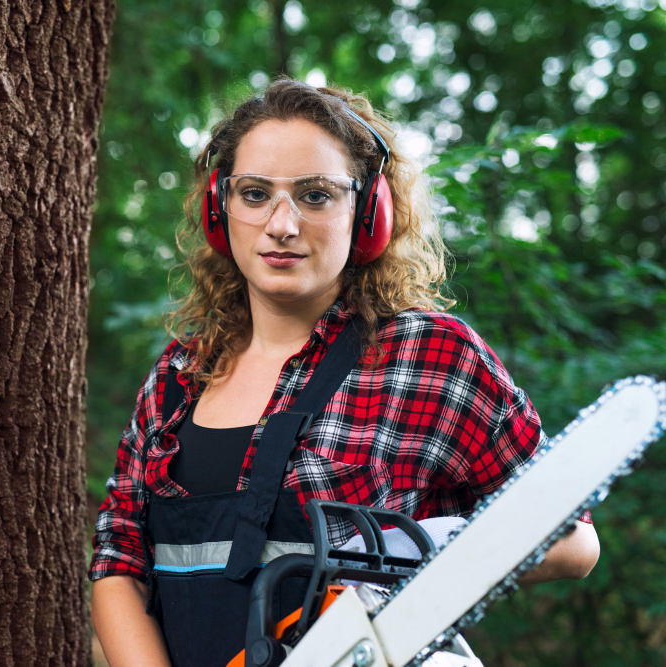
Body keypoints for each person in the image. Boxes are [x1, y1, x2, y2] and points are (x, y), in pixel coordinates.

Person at [89, 79, 600, 667]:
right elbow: (119, 563)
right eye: (255, 194)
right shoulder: (179, 377)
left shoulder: (430, 356)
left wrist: (427, 553)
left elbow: (574, 542)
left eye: (315, 195)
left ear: (368, 212)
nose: (281, 224)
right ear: (218, 208)